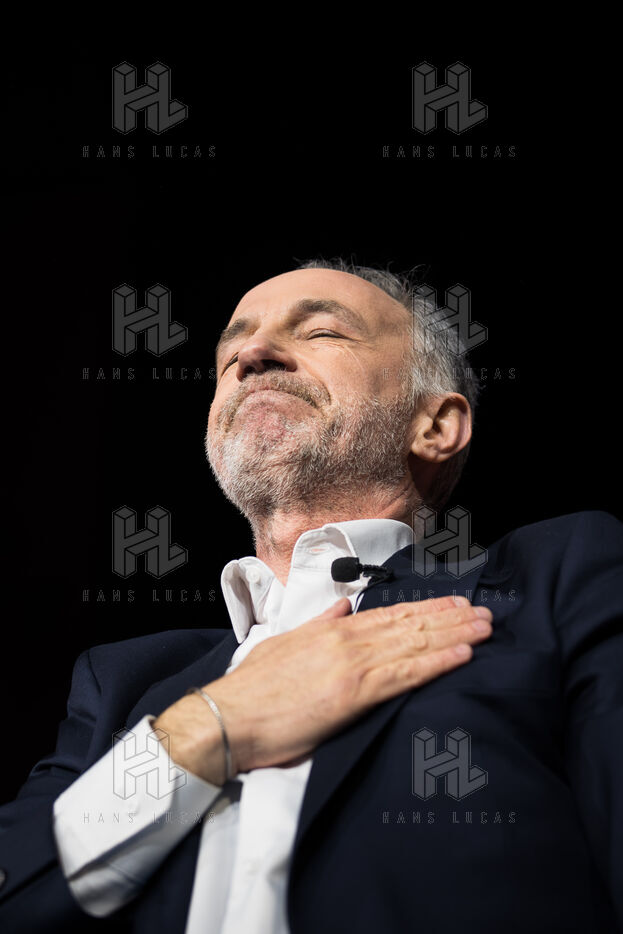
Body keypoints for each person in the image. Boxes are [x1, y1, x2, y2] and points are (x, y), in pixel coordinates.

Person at [0, 258, 621, 934]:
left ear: (435, 426)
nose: (252, 354)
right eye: (231, 349)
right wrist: (207, 727)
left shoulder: (558, 579)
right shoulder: (121, 682)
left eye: (321, 331)